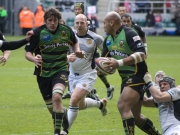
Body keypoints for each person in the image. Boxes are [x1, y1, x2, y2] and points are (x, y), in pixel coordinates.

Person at [24, 7, 85, 135]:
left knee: (57, 96)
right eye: (50, 20)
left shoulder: (66, 30)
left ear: (59, 20)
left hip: (61, 69)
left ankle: (57, 132)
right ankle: (64, 113)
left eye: (55, 20)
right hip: (43, 73)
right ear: (45, 21)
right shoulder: (38, 33)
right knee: (53, 109)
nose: (52, 23)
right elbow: (27, 52)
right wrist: (33, 58)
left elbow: (75, 42)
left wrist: (77, 51)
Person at [101, 11, 161, 135]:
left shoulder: (129, 33)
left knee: (123, 105)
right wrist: (102, 69)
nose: (103, 26)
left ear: (112, 23)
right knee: (137, 117)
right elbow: (104, 63)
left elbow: (142, 54)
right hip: (125, 80)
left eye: (104, 23)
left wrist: (118, 63)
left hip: (139, 75)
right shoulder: (107, 40)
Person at [60, 14, 108, 135]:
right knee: (80, 105)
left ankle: (64, 131)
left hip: (88, 75)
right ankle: (100, 104)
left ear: (87, 23)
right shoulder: (69, 36)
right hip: (72, 75)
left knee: (73, 100)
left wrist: (105, 66)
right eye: (77, 23)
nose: (79, 25)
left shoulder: (96, 38)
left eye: (82, 23)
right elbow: (59, 53)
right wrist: (67, 57)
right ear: (74, 24)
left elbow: (107, 54)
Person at [62, 2, 114, 100]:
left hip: (89, 51)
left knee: (97, 71)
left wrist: (107, 59)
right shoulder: (71, 32)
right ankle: (91, 94)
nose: (77, 11)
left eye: (79, 9)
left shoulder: (88, 22)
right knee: (70, 68)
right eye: (76, 9)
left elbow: (94, 39)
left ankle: (104, 88)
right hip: (75, 56)